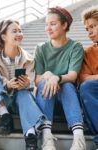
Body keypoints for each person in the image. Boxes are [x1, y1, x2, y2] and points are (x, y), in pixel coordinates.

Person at [0, 19, 51, 150]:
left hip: (21, 100)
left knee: (24, 92)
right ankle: (5, 116)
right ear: (3, 36)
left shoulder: (30, 59)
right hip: (2, 100)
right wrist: (8, 85)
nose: (19, 33)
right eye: (14, 31)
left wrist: (26, 84)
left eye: (20, 30)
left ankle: (30, 138)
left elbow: (31, 83)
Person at [34, 6, 86, 150]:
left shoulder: (75, 47)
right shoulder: (41, 48)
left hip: (68, 100)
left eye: (52, 24)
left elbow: (73, 76)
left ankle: (78, 138)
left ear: (64, 25)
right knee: (45, 83)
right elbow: (37, 80)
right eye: (46, 24)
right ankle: (46, 137)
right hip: (46, 98)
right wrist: (47, 75)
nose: (48, 28)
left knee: (67, 85)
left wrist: (56, 78)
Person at [79, 6, 98, 150]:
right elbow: (84, 77)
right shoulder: (87, 52)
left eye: (93, 26)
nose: (89, 32)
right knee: (86, 88)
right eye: (87, 29)